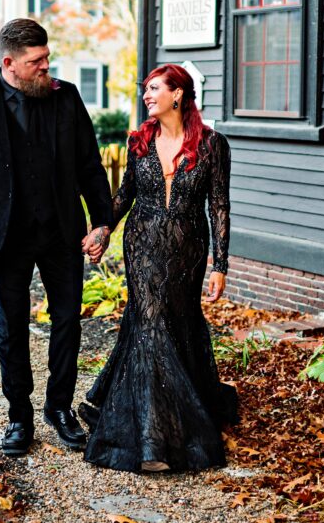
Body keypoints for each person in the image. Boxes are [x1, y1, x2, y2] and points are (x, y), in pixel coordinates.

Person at [0, 19, 113, 457]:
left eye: (47, 58)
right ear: (9, 63)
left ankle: (59, 408)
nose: (46, 67)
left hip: (61, 231)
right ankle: (19, 415)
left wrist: (102, 222)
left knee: (68, 319)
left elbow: (89, 163)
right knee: (11, 326)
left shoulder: (65, 97)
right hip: (4, 235)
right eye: (37, 62)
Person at [80, 64, 238, 473]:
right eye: (145, 90)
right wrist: (103, 230)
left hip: (187, 247)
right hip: (142, 244)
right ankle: (153, 438)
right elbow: (125, 195)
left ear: (178, 94)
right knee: (150, 322)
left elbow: (219, 206)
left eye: (154, 89)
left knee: (174, 320)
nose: (146, 96)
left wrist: (219, 264)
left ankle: (161, 401)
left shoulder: (212, 145)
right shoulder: (140, 141)